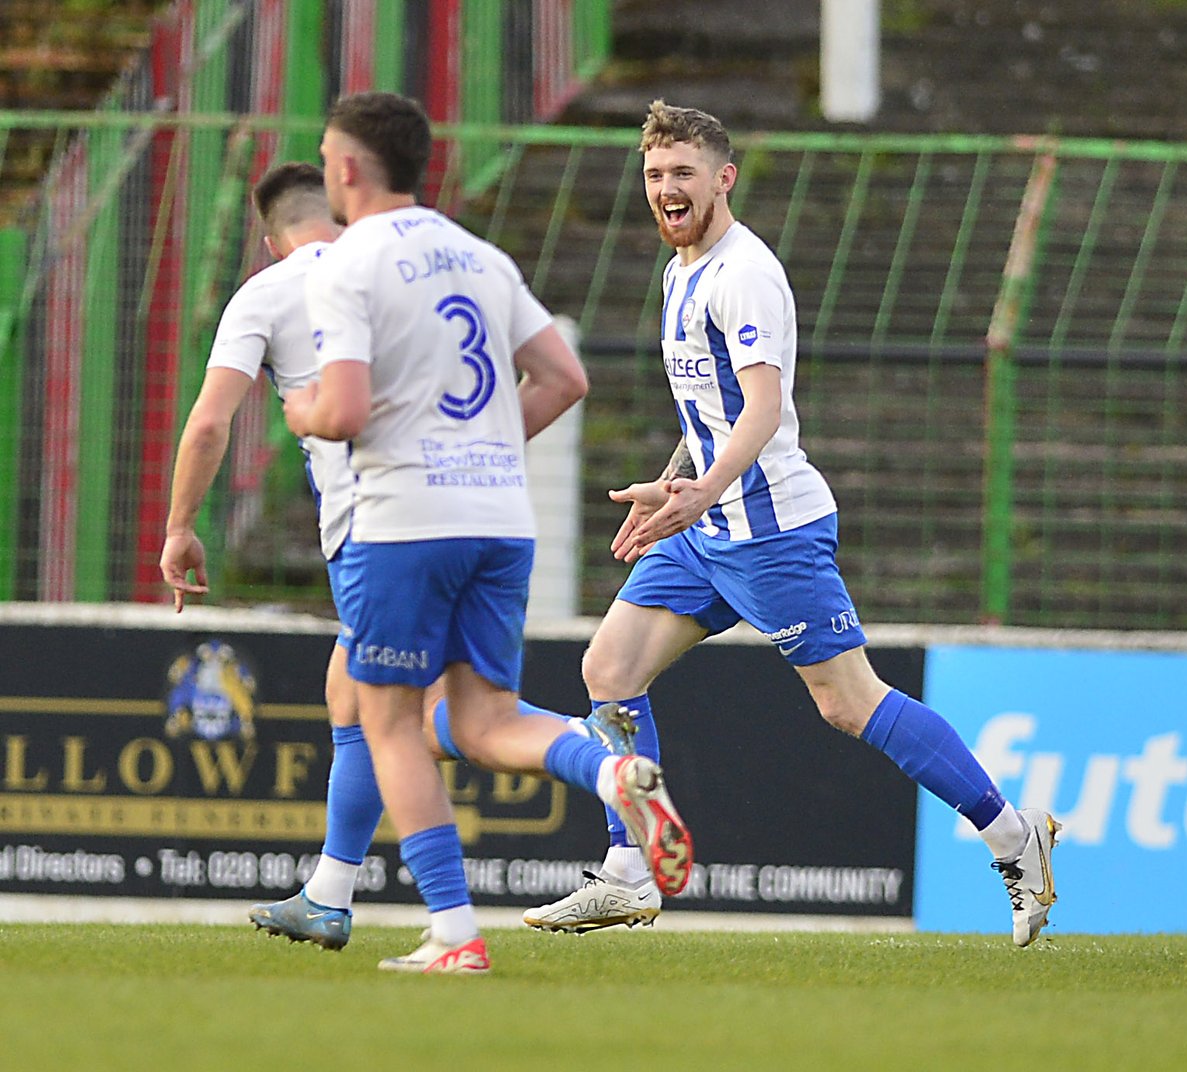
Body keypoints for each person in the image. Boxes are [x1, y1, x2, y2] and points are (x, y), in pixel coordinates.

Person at [522, 100, 1061, 948]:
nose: (667, 190)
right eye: (656, 176)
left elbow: (764, 408)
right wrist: (677, 485)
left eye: (684, 176)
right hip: (706, 527)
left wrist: (701, 494)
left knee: (849, 704)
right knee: (610, 666)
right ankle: (628, 871)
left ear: (722, 179)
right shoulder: (681, 269)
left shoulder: (745, 273)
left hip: (772, 531)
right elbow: (714, 410)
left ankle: (1010, 834)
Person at [159, 161, 637, 954]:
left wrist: (181, 525)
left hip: (379, 526)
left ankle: (469, 903)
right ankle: (330, 891)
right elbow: (552, 378)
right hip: (481, 510)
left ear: (269, 239)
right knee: (364, 697)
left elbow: (212, 424)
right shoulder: (422, 269)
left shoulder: (278, 290)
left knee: (401, 720)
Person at [281, 91, 693, 975]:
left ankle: (456, 934)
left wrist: (301, 409)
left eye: (327, 156)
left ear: (348, 169)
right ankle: (613, 775)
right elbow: (564, 377)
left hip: (403, 525)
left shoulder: (346, 265)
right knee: (485, 716)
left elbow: (344, 406)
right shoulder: (478, 256)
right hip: (500, 518)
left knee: (386, 722)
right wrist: (484, 448)